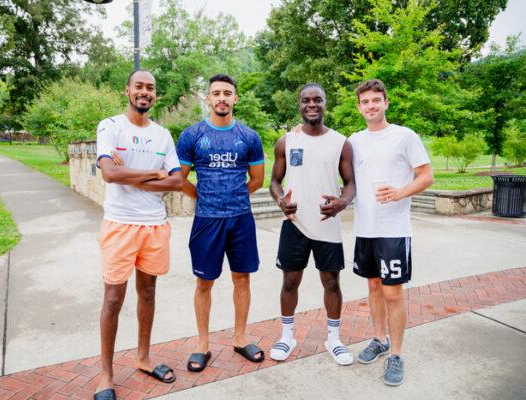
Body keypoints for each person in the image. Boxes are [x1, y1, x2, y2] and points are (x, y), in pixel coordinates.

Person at [93, 70, 183, 400]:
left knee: (148, 293)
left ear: (155, 95)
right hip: (119, 224)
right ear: (127, 90)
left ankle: (143, 358)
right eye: (139, 87)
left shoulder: (163, 135)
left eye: (151, 88)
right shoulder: (111, 126)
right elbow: (109, 173)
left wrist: (129, 174)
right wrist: (154, 172)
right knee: (113, 299)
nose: (144, 92)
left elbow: (176, 182)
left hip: (154, 225)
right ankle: (106, 375)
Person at [176, 74, 265, 372]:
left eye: (228, 93)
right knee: (204, 282)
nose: (222, 98)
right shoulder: (192, 135)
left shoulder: (249, 136)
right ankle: (203, 345)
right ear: (208, 98)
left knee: (242, 278)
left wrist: (234, 194)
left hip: (240, 218)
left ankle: (240, 339)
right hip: (207, 221)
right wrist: (202, 196)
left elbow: (257, 180)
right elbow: (180, 178)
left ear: (235, 98)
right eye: (216, 93)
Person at [349, 79, 433, 386]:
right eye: (365, 101)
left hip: (394, 229)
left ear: (386, 102)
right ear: (358, 107)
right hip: (365, 228)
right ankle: (379, 339)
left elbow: (426, 176)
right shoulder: (354, 140)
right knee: (373, 287)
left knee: (393, 292)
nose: (370, 105)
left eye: (375, 100)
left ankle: (396, 354)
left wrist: (400, 193)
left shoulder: (404, 136)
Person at [268, 83, 356, 365]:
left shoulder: (341, 142)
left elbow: (351, 184)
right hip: (294, 224)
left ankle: (334, 339)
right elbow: (274, 182)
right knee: (290, 281)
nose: (312, 104)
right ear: (299, 104)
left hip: (327, 224)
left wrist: (342, 202)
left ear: (325, 102)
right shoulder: (286, 141)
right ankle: (287, 336)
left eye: (318, 99)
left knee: (331, 282)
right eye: (306, 100)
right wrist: (281, 200)